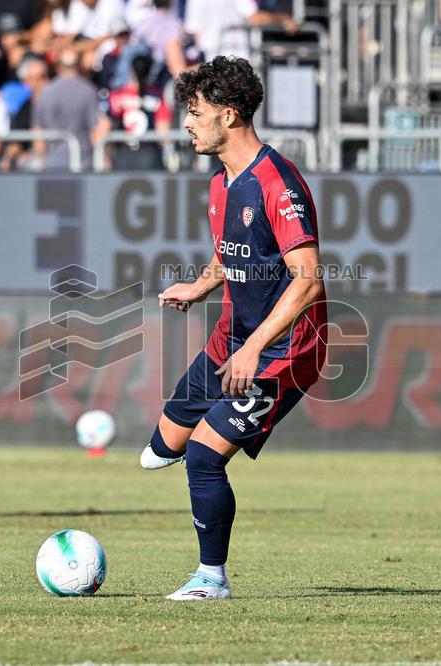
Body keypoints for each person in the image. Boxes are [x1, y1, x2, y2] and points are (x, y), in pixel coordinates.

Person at [143, 56, 327, 601]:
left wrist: (253, 348)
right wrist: (201, 286)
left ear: (228, 115)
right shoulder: (224, 180)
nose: (187, 123)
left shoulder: (277, 182)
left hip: (282, 351)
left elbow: (309, 280)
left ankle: (211, 579)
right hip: (232, 337)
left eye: (194, 113)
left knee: (201, 457)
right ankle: (202, 445)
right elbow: (233, 252)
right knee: (159, 448)